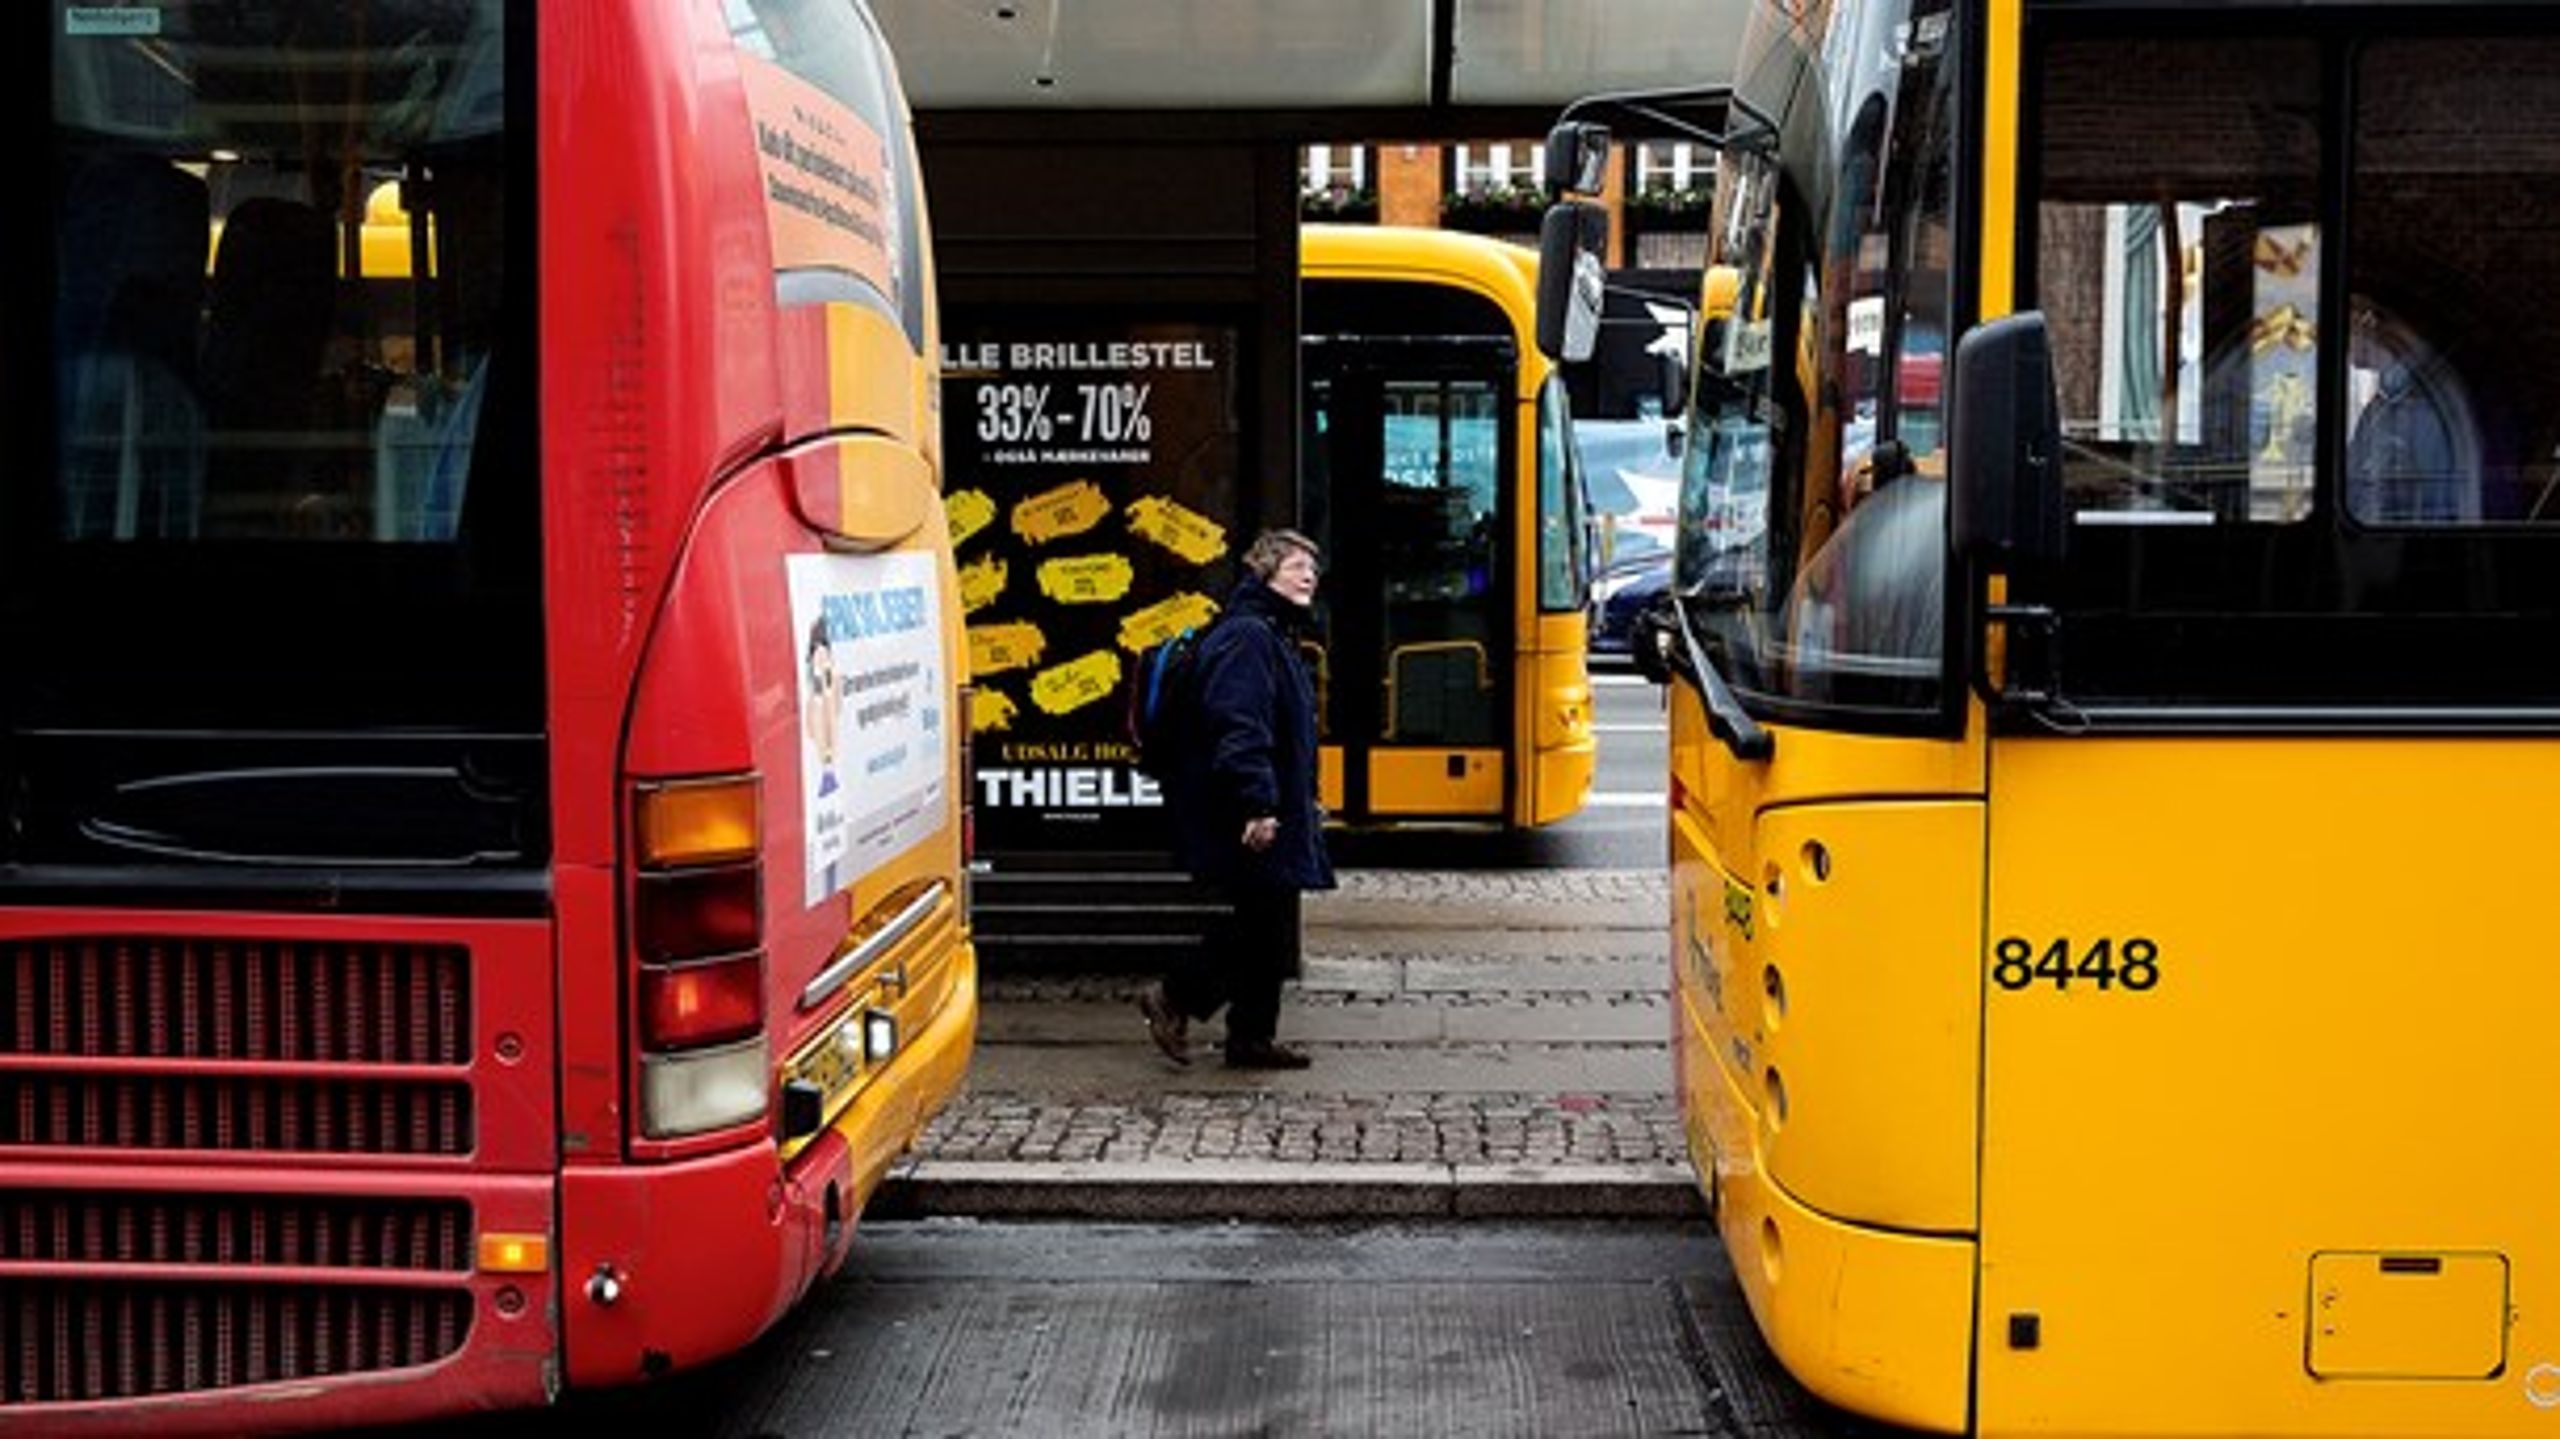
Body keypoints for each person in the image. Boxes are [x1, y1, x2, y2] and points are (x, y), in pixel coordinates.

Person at [1140, 528, 1336, 1069]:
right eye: (1297, 566)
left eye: (1312, 568)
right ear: (1265, 573)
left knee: (1266, 925)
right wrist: (1258, 804)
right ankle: (1176, 996)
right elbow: (1239, 727)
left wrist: (1303, 798)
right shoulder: (1247, 637)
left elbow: (1288, 734)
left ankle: (1250, 1038)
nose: (1308, 576)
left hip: (1273, 803)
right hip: (1245, 808)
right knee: (1262, 930)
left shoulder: (1270, 633)